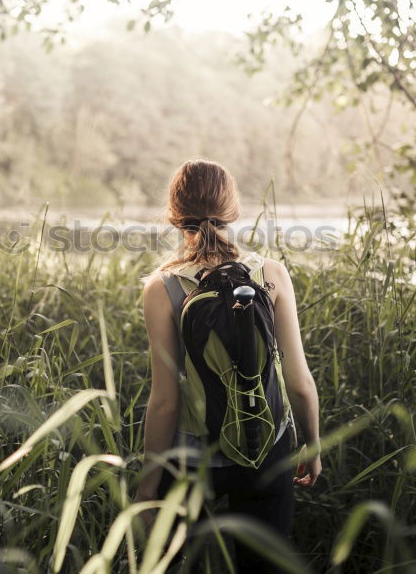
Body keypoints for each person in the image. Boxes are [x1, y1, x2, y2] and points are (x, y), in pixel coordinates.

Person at [134, 158, 322, 572]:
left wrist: (149, 487)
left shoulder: (161, 288)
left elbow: (164, 400)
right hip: (267, 448)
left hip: (190, 457)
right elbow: (300, 381)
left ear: (173, 216)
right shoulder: (270, 274)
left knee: (184, 565)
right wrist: (311, 444)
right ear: (232, 212)